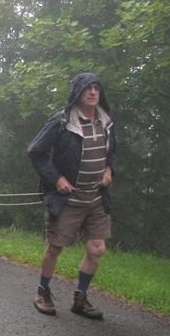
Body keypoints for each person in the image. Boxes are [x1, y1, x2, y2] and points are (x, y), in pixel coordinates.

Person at [27, 72, 117, 319]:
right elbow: (36, 152)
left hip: (97, 198)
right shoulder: (62, 121)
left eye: (97, 88)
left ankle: (80, 297)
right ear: (77, 93)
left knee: (97, 249)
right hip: (67, 199)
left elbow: (112, 153)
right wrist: (56, 178)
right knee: (55, 247)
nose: (93, 92)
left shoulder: (107, 122)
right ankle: (43, 291)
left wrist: (110, 169)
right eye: (87, 88)